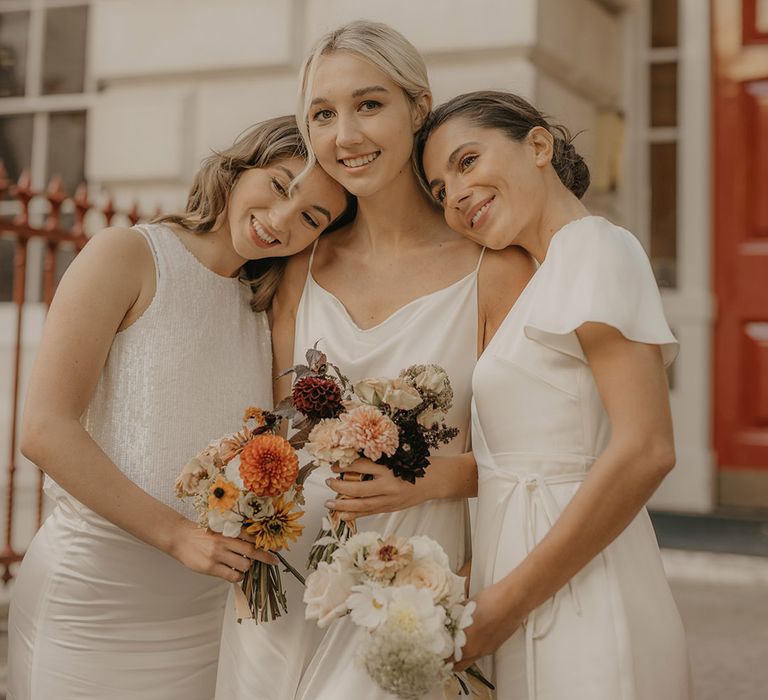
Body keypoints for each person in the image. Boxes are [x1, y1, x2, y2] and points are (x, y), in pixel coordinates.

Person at [215, 22, 534, 700]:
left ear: (418, 107)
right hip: (285, 581)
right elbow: (272, 427)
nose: (345, 136)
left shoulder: (495, 270)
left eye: (369, 105)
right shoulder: (299, 261)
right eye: (323, 115)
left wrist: (431, 479)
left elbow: (539, 465)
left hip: (414, 586)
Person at [7, 115, 350, 700]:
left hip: (201, 615)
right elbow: (44, 430)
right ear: (240, 168)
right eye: (279, 185)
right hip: (92, 601)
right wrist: (177, 536)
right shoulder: (128, 254)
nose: (282, 220)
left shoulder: (264, 311)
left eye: (311, 218)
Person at [418, 90, 691, 699]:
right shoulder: (543, 278)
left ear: (538, 145)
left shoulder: (595, 248)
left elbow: (647, 448)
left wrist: (504, 606)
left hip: (582, 594)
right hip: (517, 585)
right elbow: (525, 459)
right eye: (439, 190)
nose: (455, 195)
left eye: (466, 162)